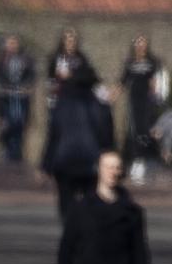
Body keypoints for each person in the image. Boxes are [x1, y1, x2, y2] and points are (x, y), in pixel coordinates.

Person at [41, 67, 116, 219]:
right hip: (92, 162)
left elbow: (53, 136)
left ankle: (70, 232)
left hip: (65, 161)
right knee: (93, 202)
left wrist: (46, 164)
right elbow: (107, 139)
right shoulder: (101, 106)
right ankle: (88, 232)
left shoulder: (61, 105)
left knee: (66, 203)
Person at [120, 35, 168, 182]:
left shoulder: (152, 62)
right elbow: (123, 82)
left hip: (147, 101)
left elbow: (158, 80)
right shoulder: (130, 63)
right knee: (135, 129)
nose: (141, 46)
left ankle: (147, 159)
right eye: (138, 43)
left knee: (147, 129)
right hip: (134, 101)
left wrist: (157, 94)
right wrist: (112, 95)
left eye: (144, 43)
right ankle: (137, 160)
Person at [0, 33, 38, 163]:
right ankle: (7, 147)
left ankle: (17, 151)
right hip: (6, 96)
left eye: (14, 43)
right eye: (10, 43)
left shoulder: (25, 58)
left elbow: (31, 75)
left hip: (21, 96)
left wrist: (28, 86)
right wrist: (3, 86)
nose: (12, 46)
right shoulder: (2, 59)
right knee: (7, 123)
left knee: (19, 122)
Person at [48, 28, 97, 107]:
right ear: (63, 41)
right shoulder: (56, 58)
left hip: (77, 99)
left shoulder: (81, 58)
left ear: (75, 42)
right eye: (67, 39)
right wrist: (51, 100)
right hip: (59, 99)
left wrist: (72, 75)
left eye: (72, 40)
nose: (70, 42)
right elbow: (50, 78)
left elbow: (90, 78)